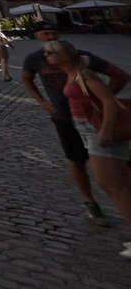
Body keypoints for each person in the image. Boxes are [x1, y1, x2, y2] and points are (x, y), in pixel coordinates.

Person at [22, 22, 130, 228]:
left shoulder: (83, 60)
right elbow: (26, 78)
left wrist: (100, 100)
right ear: (37, 36)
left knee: (114, 175)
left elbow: (121, 77)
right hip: (66, 119)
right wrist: (42, 101)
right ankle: (91, 202)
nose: (51, 36)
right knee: (76, 160)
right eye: (46, 33)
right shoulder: (35, 59)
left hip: (94, 123)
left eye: (54, 32)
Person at [41, 39, 131, 258]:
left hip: (96, 131)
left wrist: (106, 132)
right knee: (118, 184)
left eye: (50, 53)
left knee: (112, 185)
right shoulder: (75, 73)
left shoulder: (85, 75)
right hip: (87, 129)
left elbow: (108, 101)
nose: (46, 57)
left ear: (64, 55)